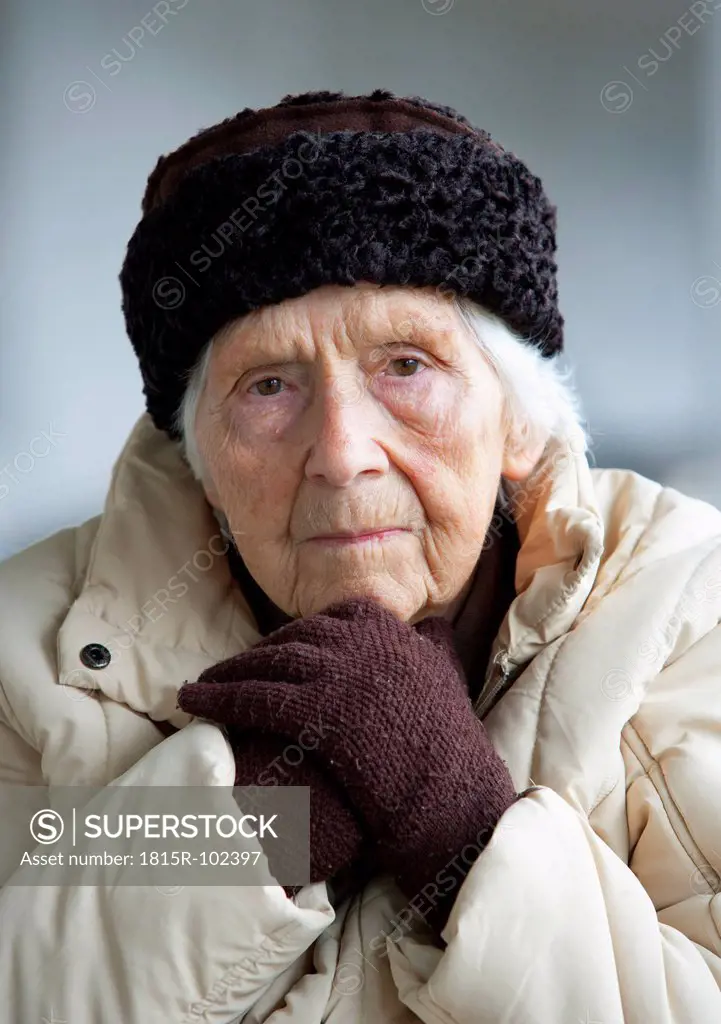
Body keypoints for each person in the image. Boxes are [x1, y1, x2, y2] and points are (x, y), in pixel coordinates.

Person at [0, 88, 720, 1024]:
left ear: (515, 419)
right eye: (268, 385)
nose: (342, 452)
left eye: (405, 365)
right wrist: (263, 822)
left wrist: (465, 834)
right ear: (200, 460)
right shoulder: (28, 653)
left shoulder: (690, 605)